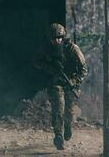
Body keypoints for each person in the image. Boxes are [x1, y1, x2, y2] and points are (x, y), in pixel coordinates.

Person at [33, 22, 87, 150]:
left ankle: (68, 126)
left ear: (64, 37)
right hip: (55, 83)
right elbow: (36, 62)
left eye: (60, 38)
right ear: (50, 39)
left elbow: (83, 69)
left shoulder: (72, 49)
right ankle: (58, 135)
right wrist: (49, 65)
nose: (58, 41)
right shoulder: (46, 49)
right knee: (58, 108)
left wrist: (74, 81)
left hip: (70, 83)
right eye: (54, 38)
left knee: (69, 112)